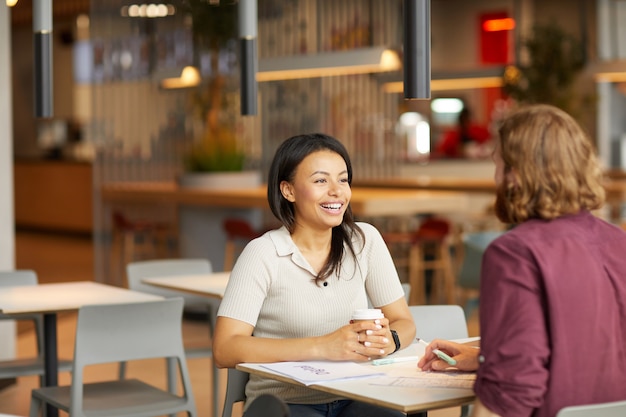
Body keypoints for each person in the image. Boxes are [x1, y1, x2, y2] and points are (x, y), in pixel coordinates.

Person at [418, 104, 626, 417]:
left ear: (515, 175)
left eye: (497, 164)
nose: (495, 177)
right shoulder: (618, 241)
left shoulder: (515, 253)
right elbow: (590, 347)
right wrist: (484, 356)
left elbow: (511, 393)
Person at [213, 133, 416, 417]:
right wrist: (323, 346)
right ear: (289, 191)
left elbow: (404, 321)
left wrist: (389, 340)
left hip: (358, 392)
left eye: (343, 179)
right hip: (286, 403)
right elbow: (225, 348)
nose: (336, 191)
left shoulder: (365, 240)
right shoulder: (262, 254)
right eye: (321, 180)